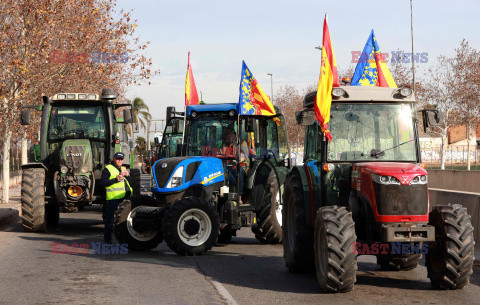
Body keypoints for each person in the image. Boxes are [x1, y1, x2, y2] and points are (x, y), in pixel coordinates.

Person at [101, 152, 132, 243]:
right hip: (113, 198)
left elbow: (130, 183)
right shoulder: (107, 169)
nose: (119, 160)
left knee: (125, 219)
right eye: (118, 159)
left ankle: (124, 238)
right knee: (110, 219)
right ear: (114, 159)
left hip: (125, 198)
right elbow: (103, 183)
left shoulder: (123, 168)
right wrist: (116, 180)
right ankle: (107, 239)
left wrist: (128, 176)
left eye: (121, 159)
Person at [220, 128, 250, 203]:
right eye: (226, 135)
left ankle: (239, 197)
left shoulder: (242, 143)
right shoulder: (224, 145)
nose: (228, 137)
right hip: (228, 166)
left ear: (234, 134)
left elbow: (243, 157)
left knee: (240, 170)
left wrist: (236, 159)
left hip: (241, 165)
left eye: (229, 134)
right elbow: (220, 154)